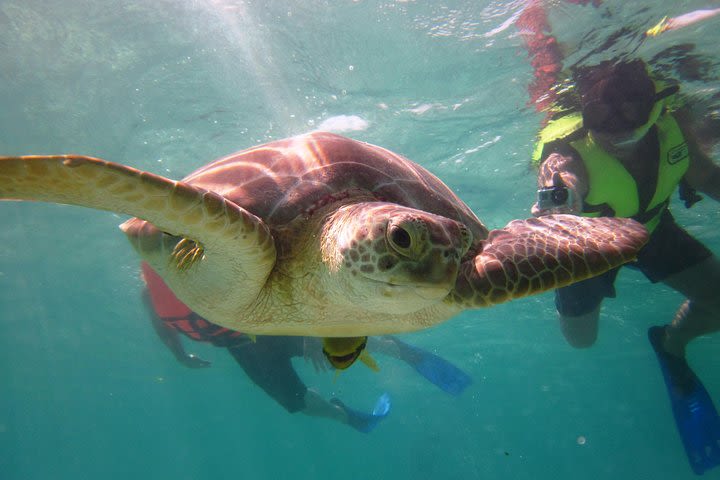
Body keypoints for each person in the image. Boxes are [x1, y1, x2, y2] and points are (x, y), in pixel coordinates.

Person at [530, 58, 720, 474]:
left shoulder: (674, 129)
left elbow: (707, 177)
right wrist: (557, 198)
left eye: (632, 108)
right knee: (581, 340)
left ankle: (671, 342)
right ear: (585, 110)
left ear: (654, 103)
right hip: (589, 248)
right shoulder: (569, 148)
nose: (616, 127)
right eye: (599, 113)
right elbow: (562, 177)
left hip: (651, 228)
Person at [140, 262, 471, 433]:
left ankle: (410, 354)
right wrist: (180, 355)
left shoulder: (209, 270)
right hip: (242, 348)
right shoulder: (151, 295)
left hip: (272, 325)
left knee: (341, 347)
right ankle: (351, 418)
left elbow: (280, 283)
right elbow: (163, 325)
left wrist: (313, 331)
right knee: (298, 404)